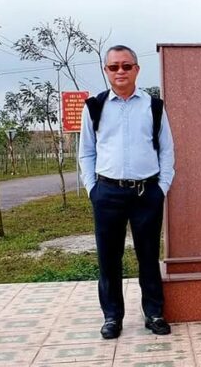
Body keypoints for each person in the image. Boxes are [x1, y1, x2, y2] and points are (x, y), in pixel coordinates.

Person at [79, 45, 175, 339]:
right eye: (114, 67)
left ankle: (154, 313)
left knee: (148, 255)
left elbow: (167, 150)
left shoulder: (153, 106)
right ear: (106, 71)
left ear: (136, 69)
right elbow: (86, 152)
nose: (120, 71)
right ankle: (112, 317)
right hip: (107, 193)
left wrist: (161, 188)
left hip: (147, 192)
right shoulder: (94, 107)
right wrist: (92, 189)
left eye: (126, 66)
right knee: (109, 258)